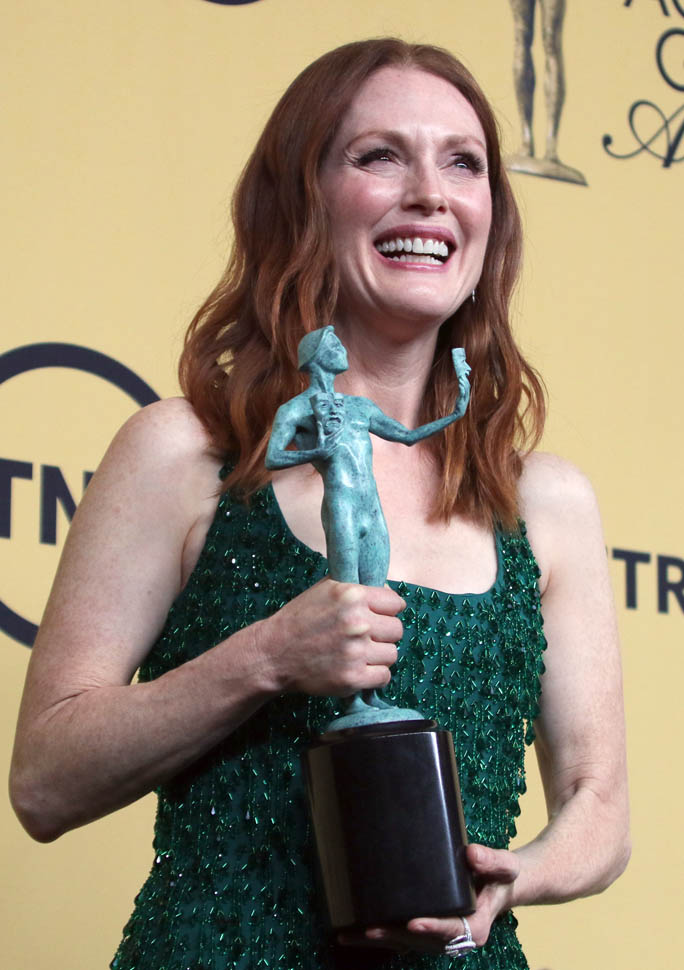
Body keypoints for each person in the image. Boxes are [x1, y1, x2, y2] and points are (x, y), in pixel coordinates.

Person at [9, 38, 629, 970]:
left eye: (463, 163)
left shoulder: (545, 503)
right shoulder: (187, 453)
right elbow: (44, 783)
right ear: (302, 199)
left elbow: (600, 808)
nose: (431, 194)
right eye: (380, 156)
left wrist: (515, 877)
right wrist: (266, 657)